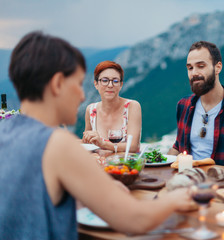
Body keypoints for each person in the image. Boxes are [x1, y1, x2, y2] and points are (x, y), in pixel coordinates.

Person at [0, 31, 192, 239]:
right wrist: (177, 198)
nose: (83, 96)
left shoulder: (6, 131)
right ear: (57, 84)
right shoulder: (57, 144)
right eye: (79, 83)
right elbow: (135, 220)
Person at [82, 60, 141, 153]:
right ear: (96, 84)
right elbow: (86, 144)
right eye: (105, 80)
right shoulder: (91, 110)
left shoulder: (132, 106)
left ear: (121, 85)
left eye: (115, 81)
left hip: (126, 166)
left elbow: (133, 147)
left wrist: (102, 143)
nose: (110, 85)